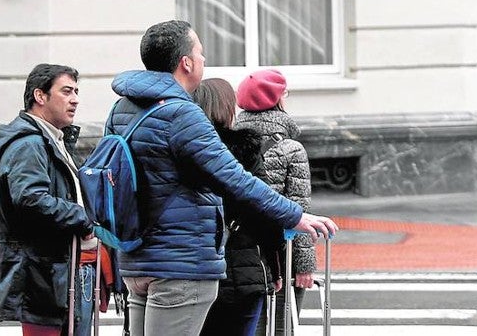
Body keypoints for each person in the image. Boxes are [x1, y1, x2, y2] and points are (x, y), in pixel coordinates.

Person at [108, 20, 337, 336]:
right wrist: (295, 216)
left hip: (136, 259)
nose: (203, 60)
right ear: (185, 63)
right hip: (181, 261)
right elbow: (234, 178)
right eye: (200, 53)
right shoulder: (182, 113)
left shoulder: (123, 108)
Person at [0, 63, 98, 336]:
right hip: (42, 277)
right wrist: (82, 218)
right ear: (40, 96)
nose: (75, 99)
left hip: (56, 274)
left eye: (76, 91)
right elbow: (30, 200)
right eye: (66, 91)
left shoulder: (52, 140)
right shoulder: (29, 144)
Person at [193, 79, 284, 336]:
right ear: (227, 108)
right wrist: (274, 265)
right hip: (244, 270)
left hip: (196, 268)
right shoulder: (245, 150)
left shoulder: (184, 149)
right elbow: (265, 211)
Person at [234, 70, 314, 336]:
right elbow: (299, 209)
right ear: (278, 100)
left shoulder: (227, 142)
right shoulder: (290, 149)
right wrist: (304, 265)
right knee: (282, 325)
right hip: (282, 253)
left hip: (240, 252)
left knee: (246, 324)